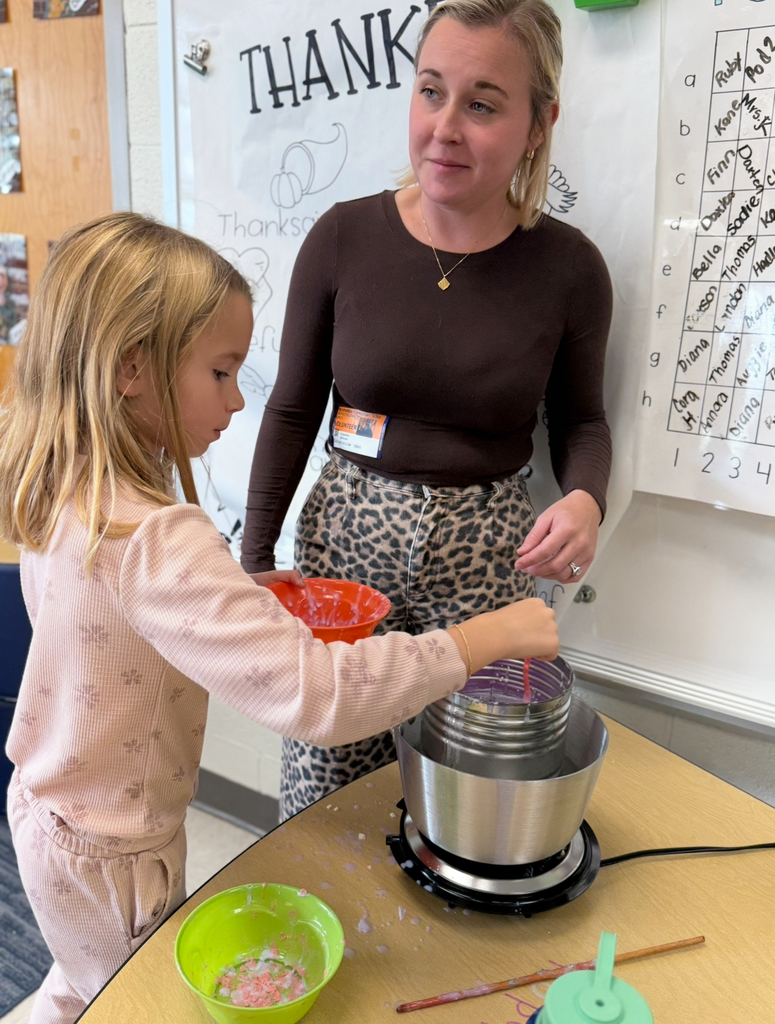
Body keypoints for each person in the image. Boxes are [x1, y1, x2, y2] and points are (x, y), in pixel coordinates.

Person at [0, 212, 558, 1024]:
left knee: (81, 985)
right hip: (115, 854)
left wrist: (239, 598)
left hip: (56, 825)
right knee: (129, 1006)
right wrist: (479, 640)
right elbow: (317, 699)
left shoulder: (73, 490)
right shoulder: (156, 534)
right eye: (221, 372)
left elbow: (119, 620)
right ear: (131, 369)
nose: (236, 402)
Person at [241, 0, 613, 820]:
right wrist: (256, 553)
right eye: (430, 92)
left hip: (486, 556)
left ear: (538, 123)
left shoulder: (568, 268)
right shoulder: (343, 237)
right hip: (345, 543)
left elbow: (581, 422)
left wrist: (584, 498)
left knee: (468, 781)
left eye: (481, 104)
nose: (444, 127)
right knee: (327, 776)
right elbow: (293, 406)